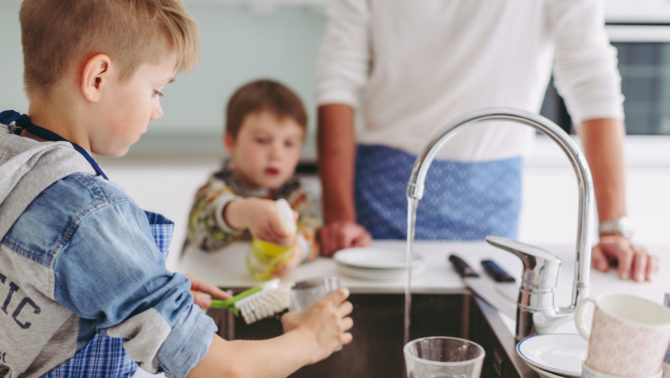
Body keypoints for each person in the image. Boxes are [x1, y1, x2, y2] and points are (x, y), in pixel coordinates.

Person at [0, 1, 352, 377]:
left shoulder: (11, 151)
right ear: (98, 78)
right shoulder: (89, 216)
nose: (157, 111)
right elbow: (222, 371)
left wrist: (145, 281)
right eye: (157, 91)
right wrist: (310, 341)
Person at [315, 0, 658, 282]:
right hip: (380, 198)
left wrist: (613, 228)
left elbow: (591, 78)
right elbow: (337, 82)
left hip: (490, 198)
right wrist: (339, 218)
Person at [183, 79, 321, 278]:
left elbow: (312, 231)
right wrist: (244, 213)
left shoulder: (297, 196)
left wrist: (297, 251)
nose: (277, 154)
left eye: (289, 143)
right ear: (231, 142)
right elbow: (203, 219)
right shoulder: (214, 188)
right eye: (262, 140)